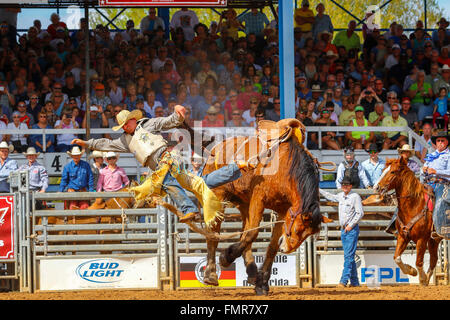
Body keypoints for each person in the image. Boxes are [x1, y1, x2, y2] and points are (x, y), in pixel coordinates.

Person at [71, 107, 255, 226]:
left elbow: (165, 122)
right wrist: (87, 143)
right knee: (199, 181)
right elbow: (105, 144)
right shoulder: (124, 141)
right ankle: (235, 168)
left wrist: (178, 115)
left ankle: (189, 208)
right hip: (160, 164)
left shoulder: (147, 125)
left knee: (166, 181)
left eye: (126, 123)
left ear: (133, 120)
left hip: (167, 159)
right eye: (123, 125)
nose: (126, 127)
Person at [319, 176, 364, 287]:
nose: (345, 186)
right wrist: (318, 190)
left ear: (351, 186)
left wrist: (350, 225)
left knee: (348, 256)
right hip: (345, 229)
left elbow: (360, 213)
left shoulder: (355, 197)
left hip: (350, 229)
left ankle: (343, 281)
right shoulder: (341, 196)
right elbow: (330, 196)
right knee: (349, 256)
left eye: (347, 185)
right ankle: (355, 282)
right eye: (343, 185)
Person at [422, 131, 450, 238]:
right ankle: (397, 225)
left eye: (442, 141)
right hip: (428, 183)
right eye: (438, 141)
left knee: (441, 200)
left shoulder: (449, 155)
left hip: (443, 184)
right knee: (410, 194)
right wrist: (423, 170)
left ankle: (441, 228)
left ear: (447, 142)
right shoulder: (431, 155)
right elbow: (423, 171)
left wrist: (436, 171)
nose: (440, 143)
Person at [59, 146, 94, 210]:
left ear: (80, 155)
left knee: (85, 207)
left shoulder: (86, 165)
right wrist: (60, 191)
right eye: (74, 155)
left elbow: (90, 178)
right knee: (72, 207)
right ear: (72, 156)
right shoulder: (67, 167)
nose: (76, 156)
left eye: (77, 155)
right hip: (72, 191)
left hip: (83, 190)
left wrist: (91, 191)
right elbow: (64, 180)